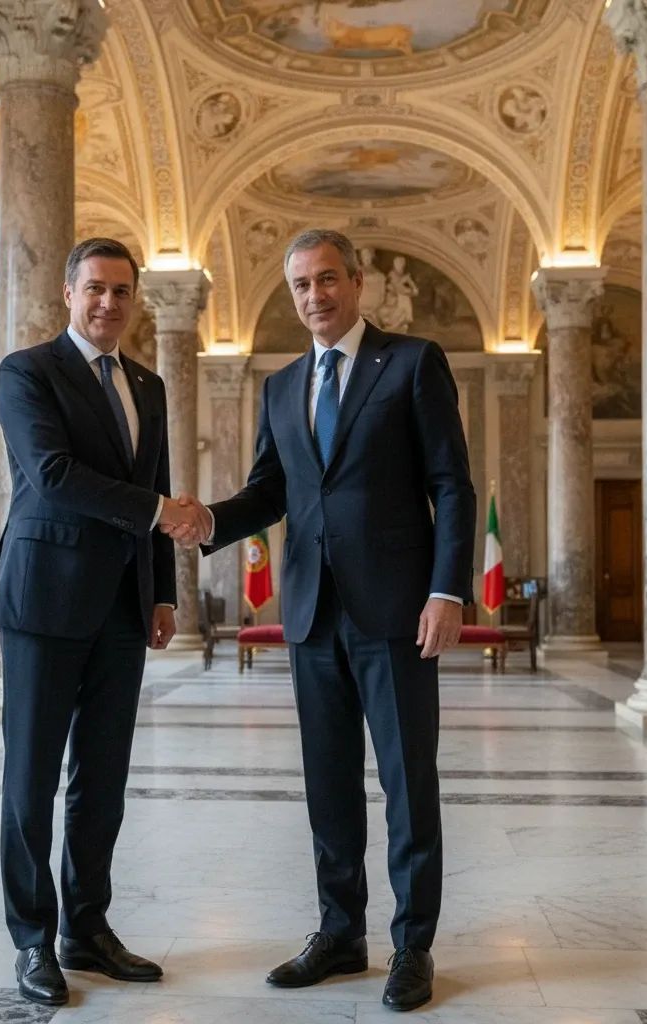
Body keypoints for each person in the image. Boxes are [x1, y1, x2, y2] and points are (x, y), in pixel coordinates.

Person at [166, 229, 475, 1012]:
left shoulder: (411, 362)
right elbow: (271, 490)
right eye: (301, 285)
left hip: (397, 610)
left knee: (408, 781)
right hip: (311, 612)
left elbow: (452, 484)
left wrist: (447, 590)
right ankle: (340, 934)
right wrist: (212, 522)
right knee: (328, 785)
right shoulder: (280, 386)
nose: (315, 296)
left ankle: (413, 946)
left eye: (328, 279)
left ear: (358, 282)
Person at [0, 237, 210, 1007]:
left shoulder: (146, 382)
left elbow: (162, 481)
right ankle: (31, 940)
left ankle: (87, 927)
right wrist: (157, 510)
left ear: (134, 300)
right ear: (67, 294)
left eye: (121, 291)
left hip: (121, 605)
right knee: (30, 779)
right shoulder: (26, 371)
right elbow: (50, 474)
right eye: (95, 290)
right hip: (44, 599)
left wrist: (164, 592)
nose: (107, 303)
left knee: (102, 780)